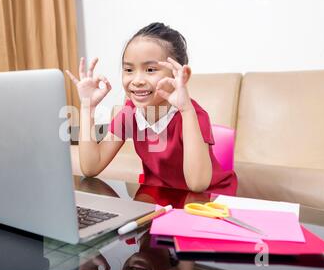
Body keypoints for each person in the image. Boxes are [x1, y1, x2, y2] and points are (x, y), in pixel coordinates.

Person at [66, 22, 237, 193]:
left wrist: (186, 110)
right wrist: (87, 106)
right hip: (160, 195)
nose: (137, 80)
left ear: (180, 75)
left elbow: (197, 185)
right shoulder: (130, 113)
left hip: (207, 200)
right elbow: (91, 167)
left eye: (150, 69)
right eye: (128, 69)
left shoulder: (194, 115)